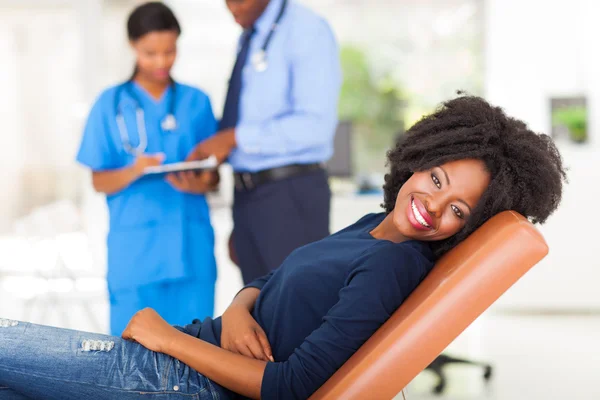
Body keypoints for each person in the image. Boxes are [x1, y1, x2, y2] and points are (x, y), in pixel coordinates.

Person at [0, 96, 566, 400]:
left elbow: (292, 387)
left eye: (459, 211)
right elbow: (273, 283)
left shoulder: (391, 264)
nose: (434, 206)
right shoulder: (378, 223)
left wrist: (164, 337)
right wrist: (243, 307)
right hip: (181, 355)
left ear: (468, 228)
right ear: (420, 158)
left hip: (179, 379)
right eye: (438, 180)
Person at [76, 2, 219, 336]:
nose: (161, 62)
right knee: (132, 360)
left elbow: (213, 173)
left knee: (197, 351)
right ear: (132, 46)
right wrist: (135, 170)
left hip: (191, 249)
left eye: (169, 51)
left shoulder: (196, 101)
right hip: (136, 256)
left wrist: (200, 183)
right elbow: (99, 180)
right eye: (150, 52)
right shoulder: (109, 105)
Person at [189, 0, 342, 284]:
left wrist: (234, 137)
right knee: (258, 313)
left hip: (289, 195)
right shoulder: (251, 35)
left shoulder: (306, 30)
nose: (231, 8)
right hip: (249, 198)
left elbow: (315, 127)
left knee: (297, 308)